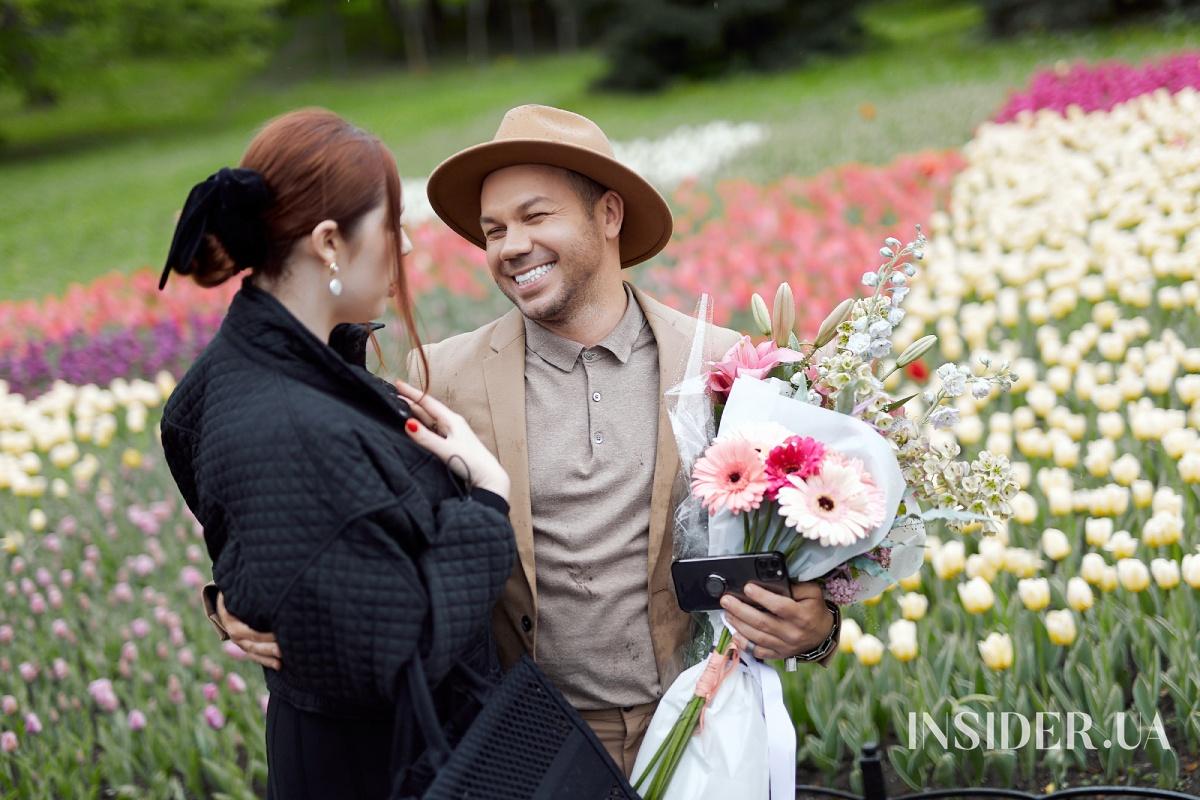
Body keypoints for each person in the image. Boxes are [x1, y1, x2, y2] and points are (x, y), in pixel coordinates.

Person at [214, 105, 842, 776]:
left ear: (608, 215)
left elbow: (805, 540)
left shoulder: (726, 366)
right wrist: (239, 600)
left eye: (535, 217)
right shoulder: (437, 380)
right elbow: (353, 525)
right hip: (529, 749)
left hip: (700, 728)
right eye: (494, 230)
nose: (511, 246)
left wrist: (818, 630)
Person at [158, 107, 516, 799]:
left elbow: (297, 554)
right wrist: (486, 501)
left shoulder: (238, 376)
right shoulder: (297, 427)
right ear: (327, 242)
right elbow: (402, 653)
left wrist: (253, 595)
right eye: (390, 226)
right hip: (385, 770)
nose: (407, 248)